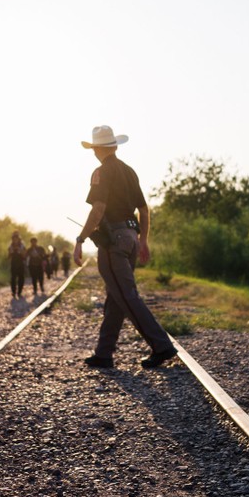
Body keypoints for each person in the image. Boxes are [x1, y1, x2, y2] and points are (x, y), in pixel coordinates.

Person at [73, 125, 177, 369]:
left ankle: (162, 346)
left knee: (127, 296)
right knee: (116, 295)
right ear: (115, 147)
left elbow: (98, 209)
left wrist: (80, 240)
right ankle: (104, 353)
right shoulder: (129, 171)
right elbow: (143, 210)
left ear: (96, 149)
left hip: (114, 242)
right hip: (130, 238)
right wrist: (143, 241)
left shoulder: (101, 172)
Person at [8, 231, 27, 299]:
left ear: (19, 239)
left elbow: (25, 255)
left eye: (16, 238)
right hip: (13, 263)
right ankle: (13, 291)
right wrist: (12, 252)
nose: (15, 239)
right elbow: (9, 256)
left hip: (21, 263)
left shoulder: (22, 245)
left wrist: (19, 251)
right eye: (14, 238)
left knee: (21, 278)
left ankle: (19, 291)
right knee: (13, 278)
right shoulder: (10, 246)